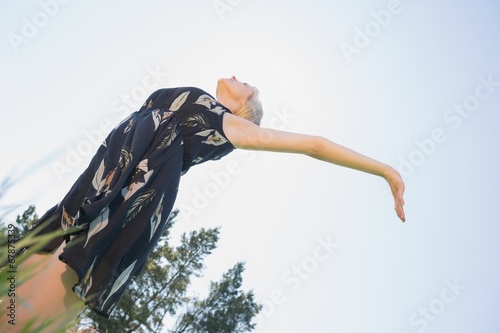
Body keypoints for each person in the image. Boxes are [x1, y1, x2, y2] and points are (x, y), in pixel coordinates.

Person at [4, 76, 406, 332]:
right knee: (23, 268)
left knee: (50, 285)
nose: (240, 75)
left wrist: (386, 170)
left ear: (244, 107)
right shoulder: (194, 107)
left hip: (132, 196)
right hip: (103, 179)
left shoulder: (230, 124)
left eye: (248, 84)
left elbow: (314, 145)